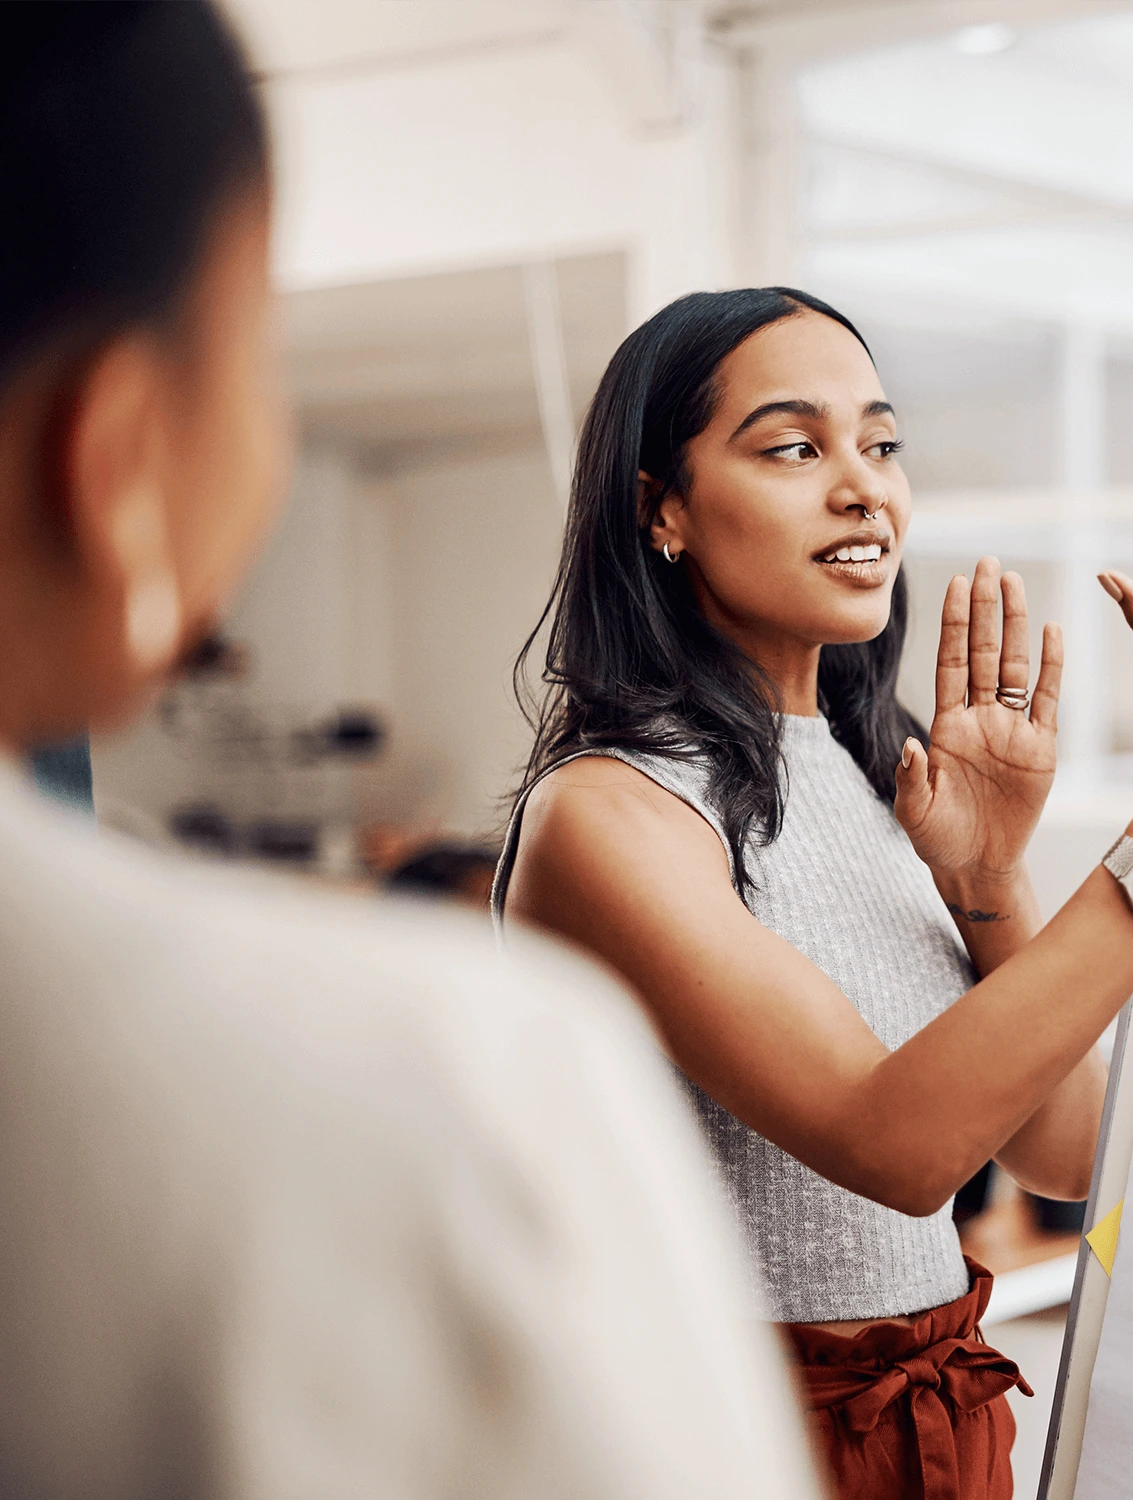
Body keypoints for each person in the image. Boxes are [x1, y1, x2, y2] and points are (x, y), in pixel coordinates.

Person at [0, 9, 821, 1499]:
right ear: (111, 455)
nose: (862, 496)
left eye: (880, 443)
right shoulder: (458, 1076)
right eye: (256, 357)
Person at [496, 287, 1133, 1499]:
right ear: (659, 508)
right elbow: (900, 1147)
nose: (862, 485)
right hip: (731, 1439)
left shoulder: (880, 772)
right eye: (792, 447)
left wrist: (988, 886)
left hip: (934, 1416)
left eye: (880, 444)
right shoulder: (607, 811)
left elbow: (1062, 1146)